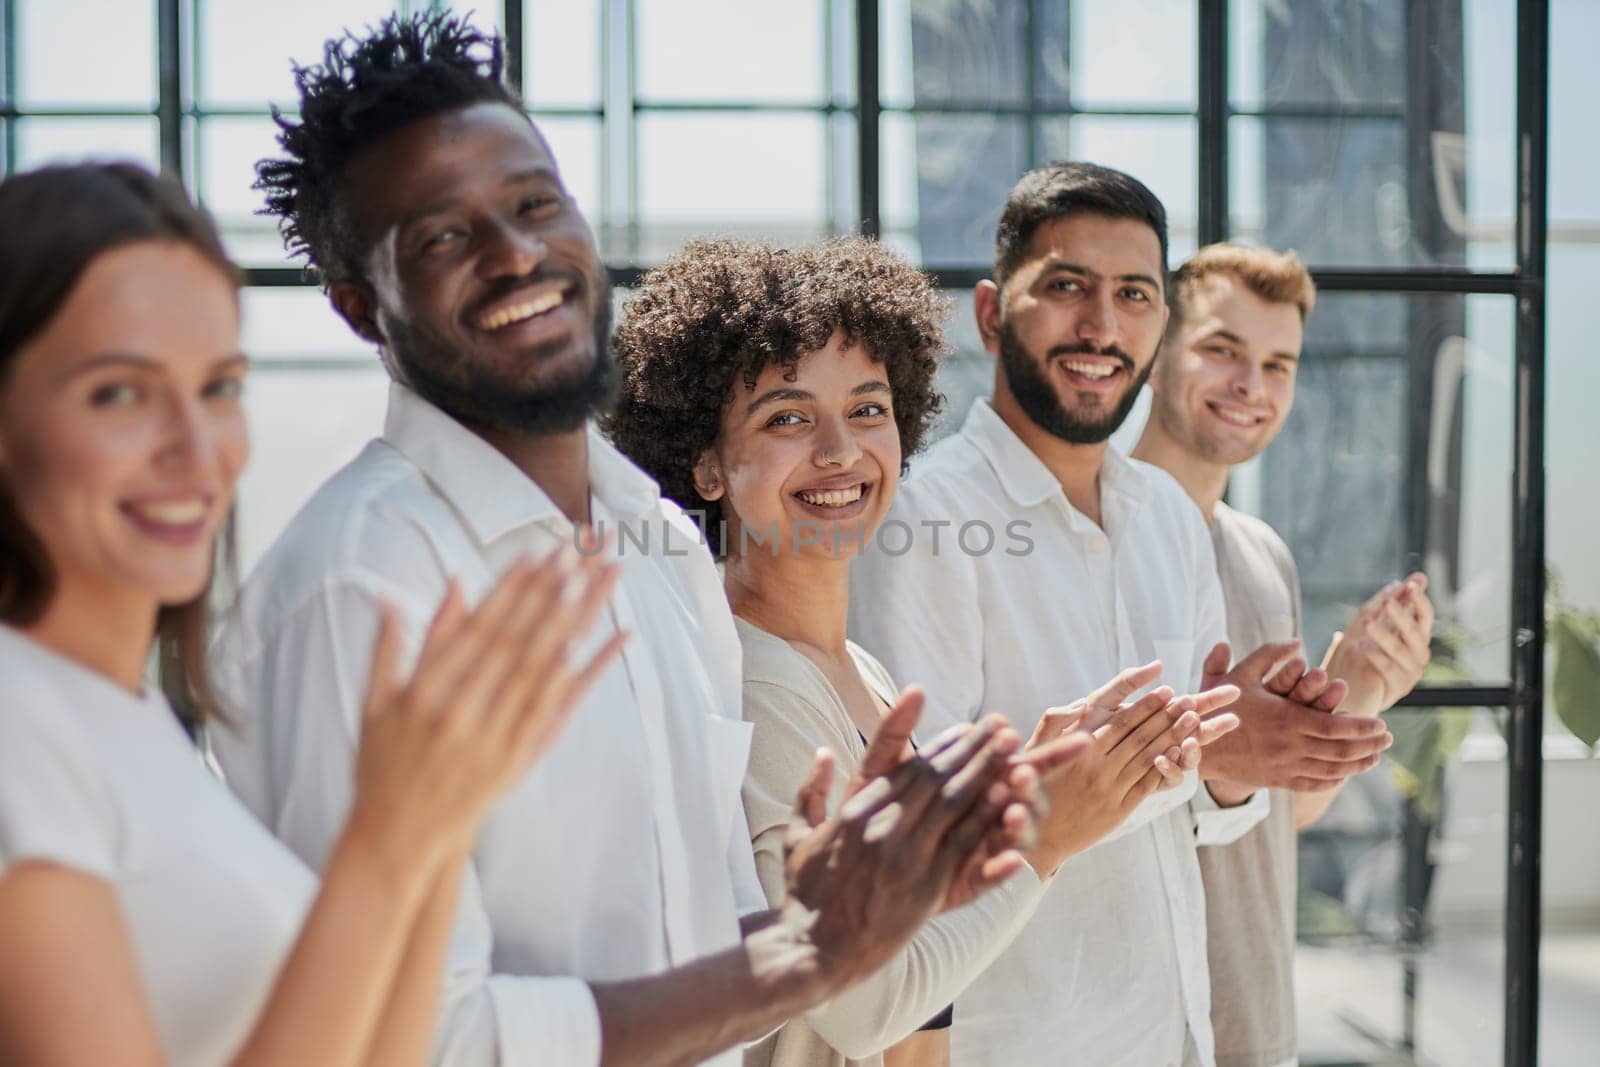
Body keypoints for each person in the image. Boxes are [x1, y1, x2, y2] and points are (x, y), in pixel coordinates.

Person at [211, 13, 1037, 1067]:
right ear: (359, 306)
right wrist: (799, 960)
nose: (517, 253)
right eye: (442, 236)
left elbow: (700, 944)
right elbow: (388, 1036)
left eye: (534, 202)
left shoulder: (652, 545)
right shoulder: (357, 585)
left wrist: (846, 919)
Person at [0, 162, 623, 1066]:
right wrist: (381, 843)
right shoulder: (20, 721)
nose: (194, 445)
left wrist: (434, 831)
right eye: (120, 392)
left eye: (219, 386)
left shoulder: (120, 717)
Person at [607, 235, 1246, 1067]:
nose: (840, 451)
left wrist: (1023, 783)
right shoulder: (752, 681)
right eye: (788, 417)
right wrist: (1043, 837)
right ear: (705, 462)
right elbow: (860, 1006)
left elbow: (914, 970)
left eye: (868, 408)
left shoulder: (853, 669)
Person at [848, 161, 1395, 1066]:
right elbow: (923, 824)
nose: (1102, 326)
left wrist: (1236, 752)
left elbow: (1205, 820)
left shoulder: (1170, 521)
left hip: (1170, 1034)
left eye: (1134, 295)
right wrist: (1202, 744)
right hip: (1017, 1044)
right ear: (991, 314)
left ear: (1160, 325)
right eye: (1067, 287)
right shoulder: (924, 520)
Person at [1130, 243, 1434, 1067]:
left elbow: (1279, 814)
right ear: (1155, 357)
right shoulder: (1096, 544)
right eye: (1222, 350)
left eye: (1278, 364)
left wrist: (1361, 687)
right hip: (1139, 1029)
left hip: (1257, 1020)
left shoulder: (1264, 556)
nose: (1251, 387)